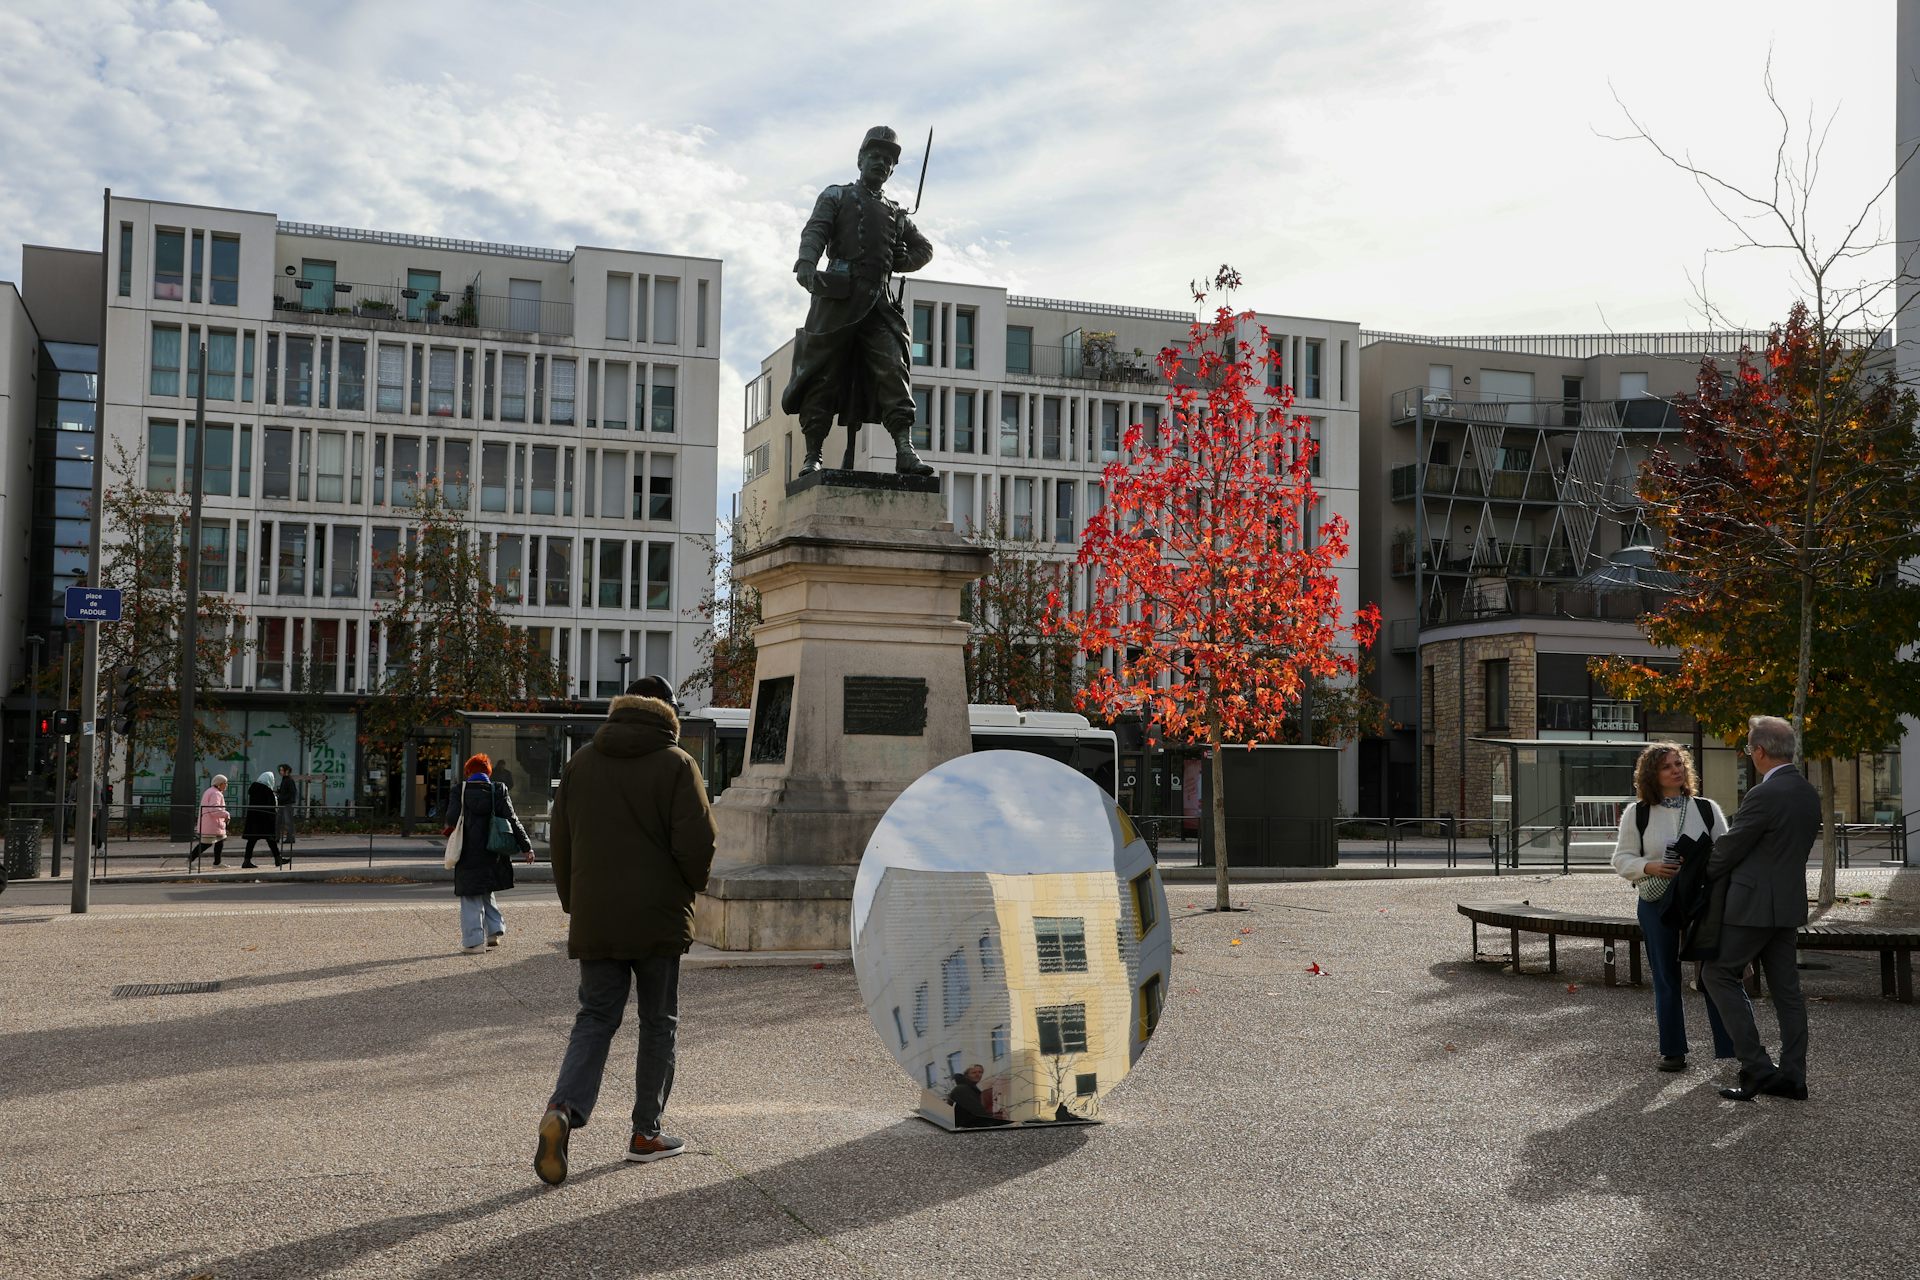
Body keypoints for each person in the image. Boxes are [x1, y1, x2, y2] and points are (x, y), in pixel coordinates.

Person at [536, 690, 716, 1185]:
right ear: (669, 720)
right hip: (658, 917)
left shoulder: (582, 763)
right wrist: (688, 886)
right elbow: (698, 842)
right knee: (659, 1022)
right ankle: (645, 1133)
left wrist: (577, 902)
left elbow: (562, 842)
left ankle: (564, 1108)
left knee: (594, 1017)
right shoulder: (678, 764)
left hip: (597, 915)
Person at [780, 124, 936, 477]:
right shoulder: (836, 196)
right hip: (837, 298)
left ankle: (905, 450)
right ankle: (813, 454)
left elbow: (924, 249)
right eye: (875, 156)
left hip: (879, 304)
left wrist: (901, 260)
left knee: (894, 370)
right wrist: (807, 263)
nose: (881, 163)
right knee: (822, 375)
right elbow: (816, 230)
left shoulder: (896, 213)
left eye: (888, 160)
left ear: (892, 170)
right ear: (861, 159)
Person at [1702, 715, 1821, 1102]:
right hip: (1787, 905)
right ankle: (1793, 1077)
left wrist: (1699, 874)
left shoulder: (1763, 794)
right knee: (1787, 992)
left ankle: (1756, 1066)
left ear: (1760, 751)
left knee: (1718, 974)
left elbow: (1730, 848)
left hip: (1752, 905)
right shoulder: (1806, 791)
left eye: (1749, 749)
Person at [1610, 743, 1734, 1072]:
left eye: (1679, 763)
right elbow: (1620, 859)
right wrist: (1650, 867)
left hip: (1701, 900)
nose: (1676, 770)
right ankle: (1673, 1050)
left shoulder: (1706, 809)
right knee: (1666, 976)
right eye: (1667, 766)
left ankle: (1729, 1047)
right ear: (1652, 774)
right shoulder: (1637, 813)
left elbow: (1726, 853)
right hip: (1657, 900)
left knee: (1713, 975)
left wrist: (1701, 865)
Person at [452, 753, 532, 955]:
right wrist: (526, 847)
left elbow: (451, 819)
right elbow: (513, 820)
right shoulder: (499, 790)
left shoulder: (459, 791)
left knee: (470, 894)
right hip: (493, 850)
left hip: (468, 852)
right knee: (486, 888)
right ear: (488, 771)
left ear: (468, 772)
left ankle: (474, 942)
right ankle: (494, 931)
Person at [241, 771, 285, 869]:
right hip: (265, 820)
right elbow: (271, 807)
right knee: (271, 840)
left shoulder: (254, 790)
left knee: (251, 841)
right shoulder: (267, 791)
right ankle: (278, 859)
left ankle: (246, 861)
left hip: (254, 820)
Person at [947, 1064, 1010, 1129]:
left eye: (980, 1072)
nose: (978, 1074)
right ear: (966, 1075)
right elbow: (978, 1113)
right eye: (973, 1072)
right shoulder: (962, 1089)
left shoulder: (972, 1090)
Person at [189, 775, 230, 870]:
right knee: (206, 844)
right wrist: (226, 814)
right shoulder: (216, 794)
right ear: (220, 784)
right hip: (211, 824)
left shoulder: (211, 791)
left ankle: (217, 863)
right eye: (225, 783)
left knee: (220, 841)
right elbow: (214, 810)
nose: (226, 785)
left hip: (213, 823)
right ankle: (189, 861)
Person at [276, 764, 298, 848]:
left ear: (287, 771)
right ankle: (277, 837)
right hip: (283, 803)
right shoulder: (285, 779)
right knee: (278, 821)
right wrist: (279, 792)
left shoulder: (289, 780)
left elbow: (292, 793)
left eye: (282, 770)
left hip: (287, 803)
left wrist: (282, 797)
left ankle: (290, 838)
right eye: (280, 770)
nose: (280, 772)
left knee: (287, 821)